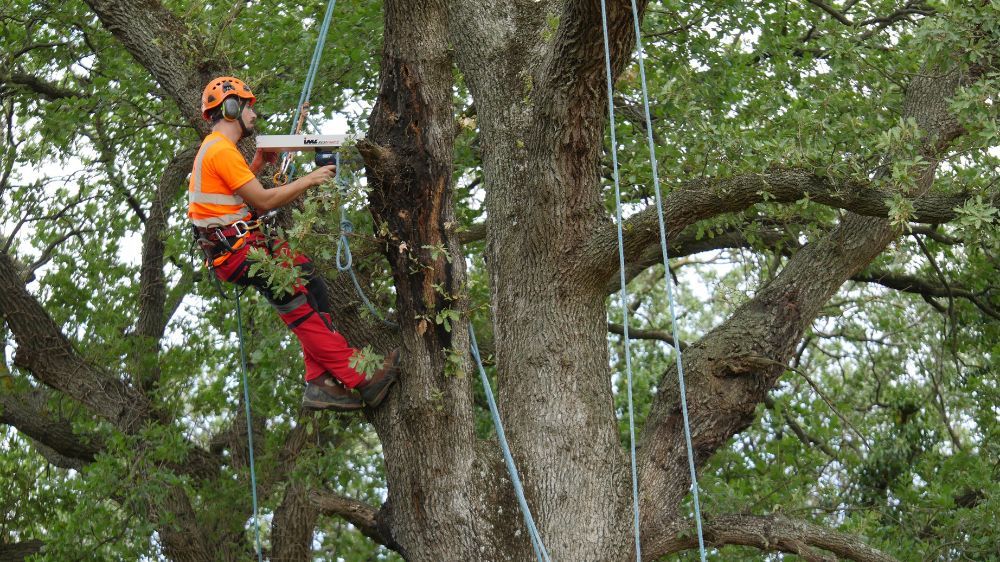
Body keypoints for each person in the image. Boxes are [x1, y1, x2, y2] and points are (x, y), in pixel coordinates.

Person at [189, 76, 398, 412]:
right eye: (247, 107)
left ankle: (320, 382)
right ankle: (361, 377)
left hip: (242, 247)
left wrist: (259, 163)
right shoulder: (220, 151)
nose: (254, 114)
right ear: (230, 109)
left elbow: (238, 200)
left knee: (310, 281)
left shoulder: (220, 152)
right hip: (239, 252)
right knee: (300, 310)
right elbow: (263, 201)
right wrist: (311, 179)